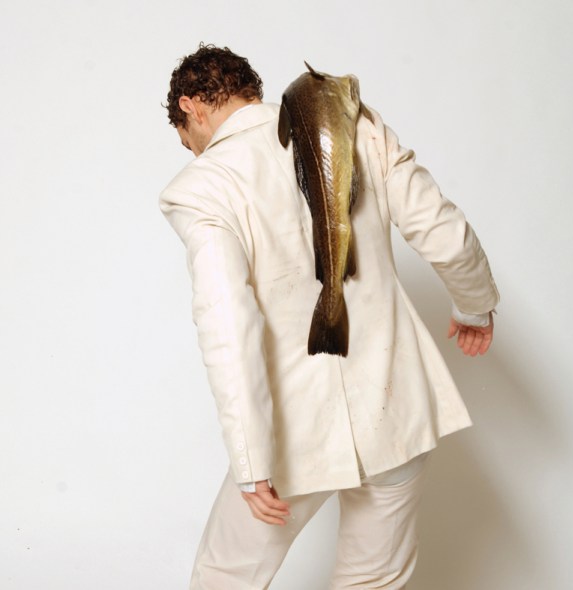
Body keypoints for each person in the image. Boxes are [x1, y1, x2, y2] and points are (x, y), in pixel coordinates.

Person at [160, 43, 499, 590]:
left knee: (225, 577)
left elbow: (228, 327)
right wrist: (474, 305)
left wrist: (250, 461)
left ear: (191, 107)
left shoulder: (202, 188)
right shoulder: (352, 121)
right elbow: (443, 231)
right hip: (396, 409)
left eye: (186, 140)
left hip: (294, 436)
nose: (194, 152)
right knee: (373, 581)